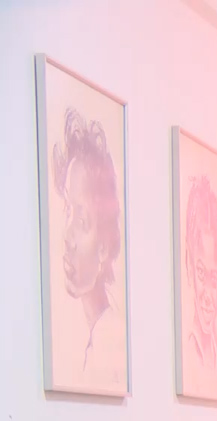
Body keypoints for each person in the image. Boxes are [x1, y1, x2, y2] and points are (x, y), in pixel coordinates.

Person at [52, 106, 125, 376]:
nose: (66, 236)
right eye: (67, 211)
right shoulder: (80, 339)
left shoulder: (111, 347)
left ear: (104, 247)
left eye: (82, 222)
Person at [184, 174, 217, 371]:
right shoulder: (189, 351)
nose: (208, 295)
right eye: (201, 274)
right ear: (188, 265)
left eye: (214, 278)